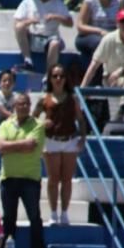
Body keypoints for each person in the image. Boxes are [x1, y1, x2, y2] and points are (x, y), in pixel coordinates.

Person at [0, 92, 46, 248]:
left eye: (26, 104)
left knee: (35, 218)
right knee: (9, 219)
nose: (23, 107)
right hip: (8, 179)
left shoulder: (38, 125)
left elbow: (32, 146)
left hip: (30, 179)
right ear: (14, 106)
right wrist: (22, 145)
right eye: (20, 104)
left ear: (30, 106)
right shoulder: (5, 124)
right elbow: (0, 146)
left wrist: (11, 146)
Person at [35, 64, 86, 226]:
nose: (58, 79)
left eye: (61, 76)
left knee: (67, 179)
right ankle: (53, 213)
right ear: (50, 79)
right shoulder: (44, 99)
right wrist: (42, 123)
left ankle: (64, 213)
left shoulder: (73, 99)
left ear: (66, 79)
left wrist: (83, 138)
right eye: (55, 76)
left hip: (69, 140)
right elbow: (32, 119)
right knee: (53, 179)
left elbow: (80, 120)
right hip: (51, 141)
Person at [14, 0, 73, 72]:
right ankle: (28, 61)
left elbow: (70, 23)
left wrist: (56, 16)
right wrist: (30, 21)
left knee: (54, 43)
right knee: (19, 27)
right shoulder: (28, 1)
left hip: (51, 38)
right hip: (33, 37)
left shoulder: (58, 3)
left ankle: (49, 74)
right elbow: (16, 23)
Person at [74, 0, 124, 67]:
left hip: (113, 35)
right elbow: (80, 26)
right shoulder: (89, 1)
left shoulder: (119, 0)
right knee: (100, 42)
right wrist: (100, 31)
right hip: (90, 35)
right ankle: (97, 77)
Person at [0, 70, 18, 139]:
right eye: (4, 81)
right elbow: (5, 113)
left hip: (10, 126)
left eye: (10, 81)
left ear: (14, 83)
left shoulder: (16, 96)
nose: (7, 83)